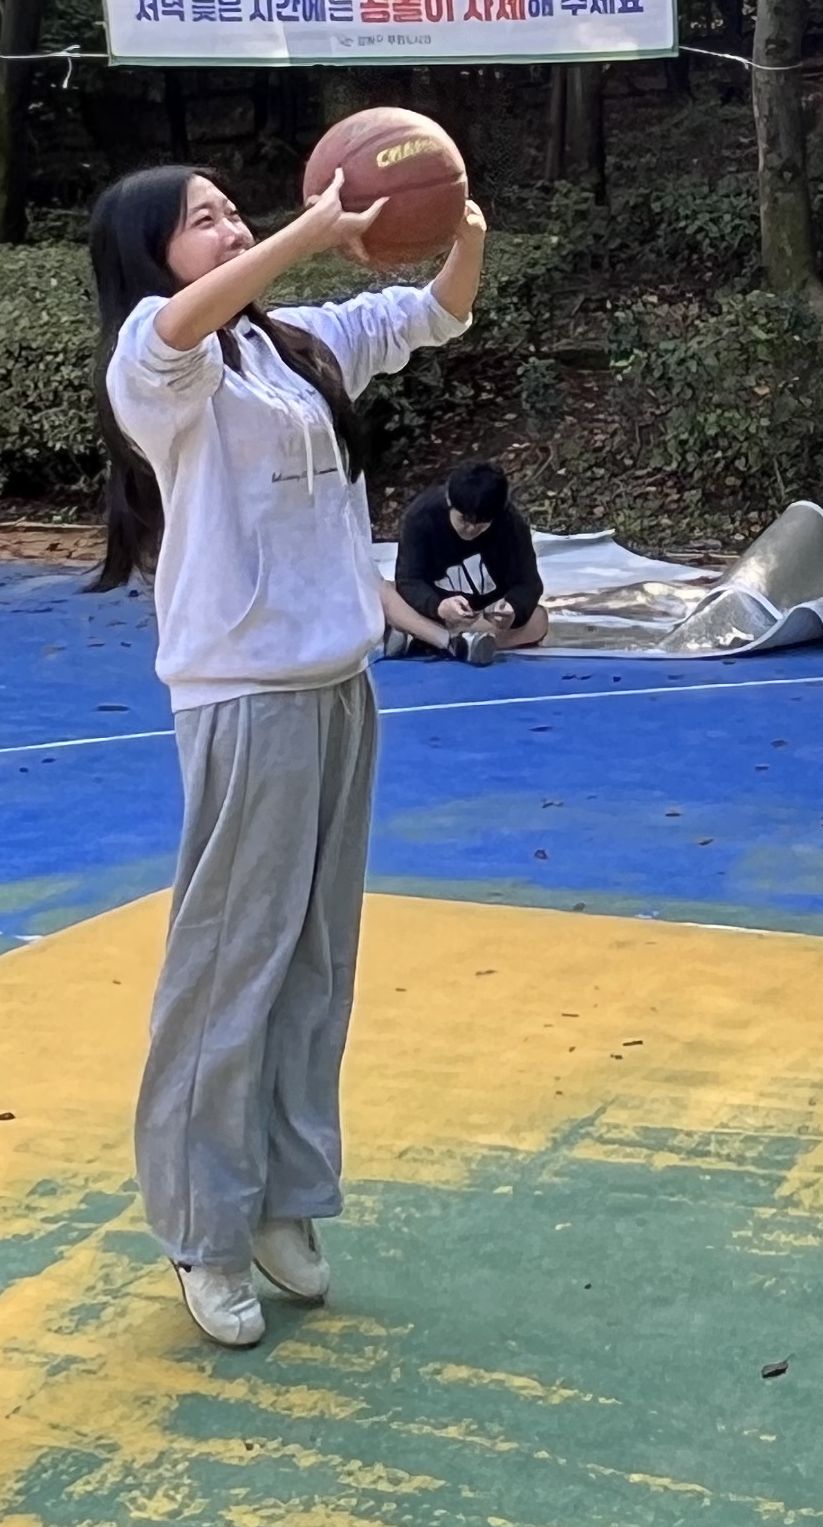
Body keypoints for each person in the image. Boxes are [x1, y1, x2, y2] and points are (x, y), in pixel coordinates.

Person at [94, 160, 486, 1350]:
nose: (229, 226)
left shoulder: (295, 348)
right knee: (232, 967)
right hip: (243, 696)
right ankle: (202, 1230)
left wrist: (455, 216)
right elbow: (182, 325)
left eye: (233, 210)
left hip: (337, 688)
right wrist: (314, 229)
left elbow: (436, 312)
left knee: (317, 963)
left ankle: (283, 1202)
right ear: (153, 255)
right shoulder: (157, 365)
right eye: (201, 220)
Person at [383, 458, 547, 665]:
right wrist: (438, 607)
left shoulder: (512, 524)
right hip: (431, 610)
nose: (470, 530)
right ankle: (450, 642)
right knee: (383, 592)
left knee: (539, 620)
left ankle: (425, 638)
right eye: (463, 520)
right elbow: (408, 580)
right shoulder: (421, 517)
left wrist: (512, 609)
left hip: (480, 618)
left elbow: (529, 584)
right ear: (449, 502)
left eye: (481, 525)